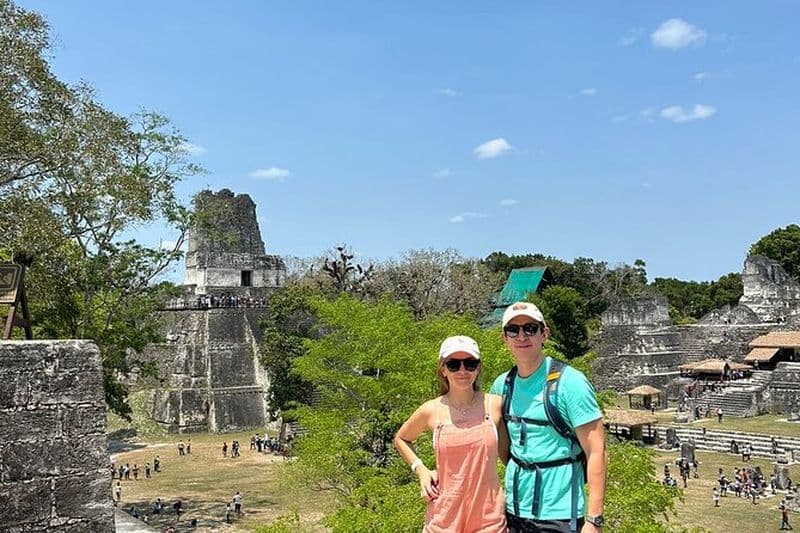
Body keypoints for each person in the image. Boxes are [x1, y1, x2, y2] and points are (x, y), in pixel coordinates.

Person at [489, 301, 606, 533]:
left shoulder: (570, 383)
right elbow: (504, 448)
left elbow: (597, 451)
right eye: (514, 330)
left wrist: (594, 520)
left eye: (530, 328)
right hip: (514, 510)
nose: (522, 336)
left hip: (561, 514)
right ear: (505, 338)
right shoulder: (502, 385)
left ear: (545, 333)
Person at [395, 335, 508, 532]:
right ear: (443, 369)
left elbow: (510, 457)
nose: (462, 371)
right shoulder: (431, 410)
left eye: (470, 364)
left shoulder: (495, 405)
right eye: (454, 364)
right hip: (443, 518)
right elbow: (401, 438)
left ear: (478, 368)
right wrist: (421, 469)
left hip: (489, 519)